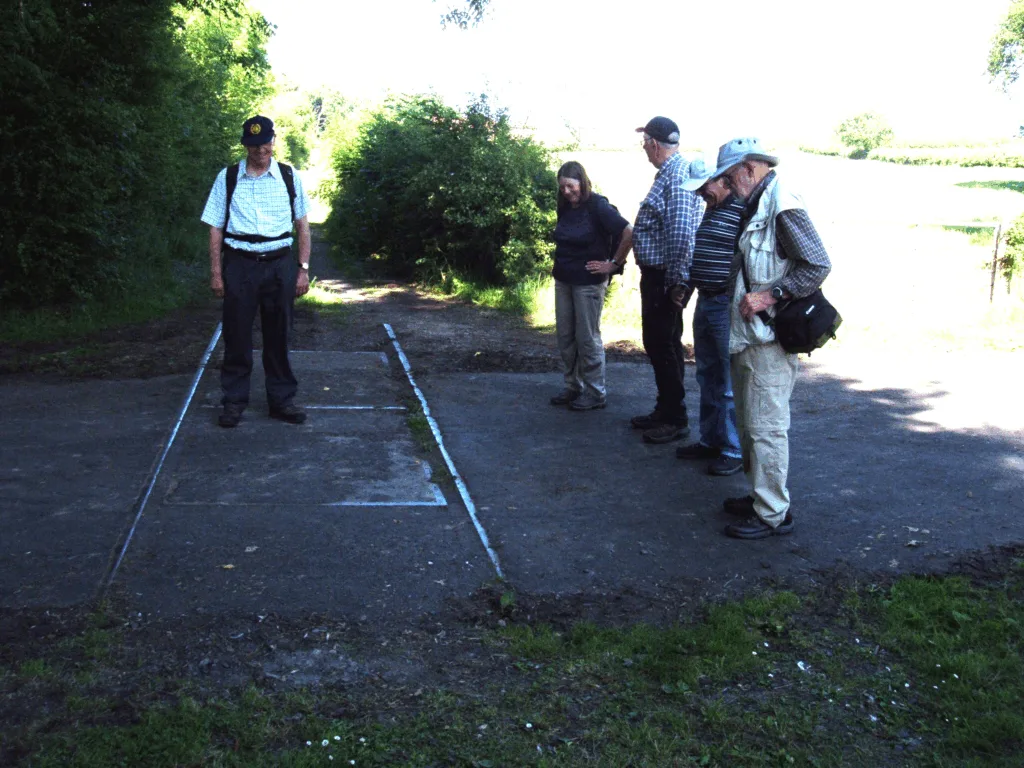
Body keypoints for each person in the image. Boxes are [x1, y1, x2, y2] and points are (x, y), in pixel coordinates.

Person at [710, 137, 832, 539]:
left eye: (729, 177)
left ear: (750, 168)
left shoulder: (782, 204)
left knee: (765, 426)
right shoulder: (757, 201)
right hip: (751, 337)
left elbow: (817, 264)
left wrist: (771, 295)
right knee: (749, 424)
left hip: (771, 341)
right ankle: (761, 495)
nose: (727, 185)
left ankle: (772, 514)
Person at [201, 115, 312, 428]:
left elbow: (303, 226)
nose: (260, 150)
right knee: (236, 335)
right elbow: (215, 228)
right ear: (244, 145)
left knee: (278, 335)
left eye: (265, 143)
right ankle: (234, 402)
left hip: (280, 266)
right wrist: (216, 272)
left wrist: (302, 269)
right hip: (239, 265)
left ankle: (282, 401)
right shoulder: (228, 177)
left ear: (273, 142)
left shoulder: (290, 177)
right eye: (253, 145)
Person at [628, 117, 705, 444]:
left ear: (655, 143)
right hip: (661, 276)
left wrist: (677, 284)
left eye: (644, 142)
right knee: (661, 343)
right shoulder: (672, 174)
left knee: (664, 344)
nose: (644, 149)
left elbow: (680, 235)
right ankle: (666, 408)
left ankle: (675, 418)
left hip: (665, 278)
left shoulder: (675, 177)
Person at [668, 156, 745, 476]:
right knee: (707, 375)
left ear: (722, 181)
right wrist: (687, 284)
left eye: (704, 188)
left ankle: (733, 449)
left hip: (726, 305)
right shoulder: (712, 208)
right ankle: (710, 440)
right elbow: (703, 253)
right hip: (705, 300)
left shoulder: (741, 210)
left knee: (727, 381)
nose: (700, 194)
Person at [549, 161, 633, 411]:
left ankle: (596, 392)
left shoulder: (598, 206)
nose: (566, 192)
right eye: (562, 187)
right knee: (566, 336)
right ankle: (573, 386)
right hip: (564, 279)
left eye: (571, 186)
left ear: (582, 183)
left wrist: (613, 264)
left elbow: (628, 231)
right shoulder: (565, 206)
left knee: (587, 338)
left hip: (588, 284)